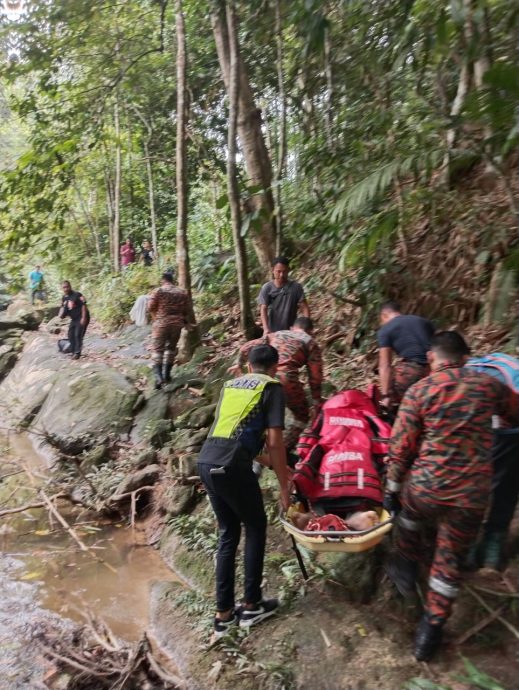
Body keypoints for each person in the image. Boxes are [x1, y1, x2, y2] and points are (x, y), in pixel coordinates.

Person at [383, 331, 519, 662]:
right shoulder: (488, 386)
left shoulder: (420, 391)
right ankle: (431, 629)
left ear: (432, 358)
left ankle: (405, 561)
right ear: (465, 357)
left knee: (410, 514)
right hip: (471, 496)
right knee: (449, 558)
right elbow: (515, 416)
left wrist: (392, 492)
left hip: (426, 488)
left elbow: (400, 450)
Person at [197, 344, 290, 638]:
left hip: (206, 460)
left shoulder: (230, 385)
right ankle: (252, 605)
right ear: (276, 367)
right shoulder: (273, 387)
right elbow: (274, 442)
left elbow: (233, 435)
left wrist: (270, 464)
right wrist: (285, 487)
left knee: (228, 532)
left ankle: (223, 615)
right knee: (256, 526)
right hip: (233, 466)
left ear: (249, 366)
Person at [229, 316, 323, 450]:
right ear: (311, 332)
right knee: (301, 416)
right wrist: (316, 402)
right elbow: (315, 376)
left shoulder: (278, 334)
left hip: (261, 377)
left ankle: (251, 450)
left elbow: (247, 347)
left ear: (292, 328)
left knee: (258, 414)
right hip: (286, 379)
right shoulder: (310, 343)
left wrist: (238, 364)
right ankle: (282, 451)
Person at [464, 353, 519, 570]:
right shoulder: (492, 366)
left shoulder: (466, 377)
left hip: (507, 425)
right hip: (508, 422)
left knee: (478, 482)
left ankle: (469, 547)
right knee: (508, 483)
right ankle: (491, 550)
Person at [376, 301, 434, 413]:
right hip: (434, 368)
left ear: (384, 315)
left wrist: (386, 395)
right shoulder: (423, 321)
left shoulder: (386, 329)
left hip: (411, 370)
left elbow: (384, 365)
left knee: (396, 407)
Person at [147, 271, 189, 389]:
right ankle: (167, 375)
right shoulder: (182, 292)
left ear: (163, 280)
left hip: (161, 324)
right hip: (177, 324)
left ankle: (159, 378)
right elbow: (186, 310)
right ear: (173, 280)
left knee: (157, 349)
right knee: (170, 348)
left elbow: (150, 307)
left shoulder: (158, 291)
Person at [257, 256, 310, 334]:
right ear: (273, 270)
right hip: (273, 332)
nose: (281, 275)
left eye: (284, 271)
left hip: (292, 332)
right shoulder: (267, 288)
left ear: (288, 270)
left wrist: (306, 326)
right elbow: (263, 309)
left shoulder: (296, 287)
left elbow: (304, 307)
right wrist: (266, 328)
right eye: (278, 271)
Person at [58, 281, 90, 360]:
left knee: (77, 334)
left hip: (82, 316)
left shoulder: (77, 295)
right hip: (74, 319)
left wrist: (83, 318)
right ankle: (73, 351)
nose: (66, 289)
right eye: (64, 287)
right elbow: (62, 309)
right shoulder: (64, 298)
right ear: (62, 288)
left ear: (70, 286)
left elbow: (83, 306)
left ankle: (77, 353)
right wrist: (60, 315)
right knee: (70, 334)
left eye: (67, 287)